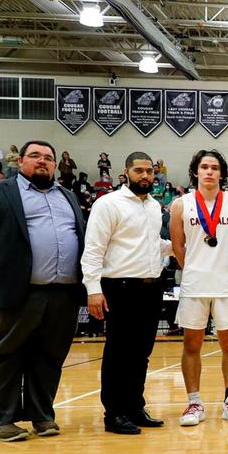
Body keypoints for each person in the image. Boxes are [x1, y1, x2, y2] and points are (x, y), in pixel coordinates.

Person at [0, 140, 86, 442]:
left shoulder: (68, 196)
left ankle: (42, 416)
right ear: (20, 161)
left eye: (48, 158)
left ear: (55, 165)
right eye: (35, 156)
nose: (42, 161)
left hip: (62, 293)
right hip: (10, 290)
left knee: (49, 357)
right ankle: (2, 421)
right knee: (2, 355)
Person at [81, 151, 171, 434]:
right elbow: (93, 249)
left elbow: (153, 244)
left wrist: (182, 244)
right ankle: (114, 413)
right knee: (118, 352)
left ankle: (134, 406)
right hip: (119, 287)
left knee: (141, 353)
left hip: (151, 287)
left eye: (149, 171)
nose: (145, 176)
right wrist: (93, 289)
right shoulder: (108, 204)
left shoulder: (155, 206)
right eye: (139, 171)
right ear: (126, 173)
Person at [170, 150, 228, 426]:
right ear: (195, 172)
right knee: (191, 344)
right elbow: (178, 247)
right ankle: (194, 402)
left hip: (226, 283)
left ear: (222, 173)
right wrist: (194, 268)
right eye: (204, 167)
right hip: (194, 285)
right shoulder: (181, 204)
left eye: (215, 167)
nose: (209, 172)